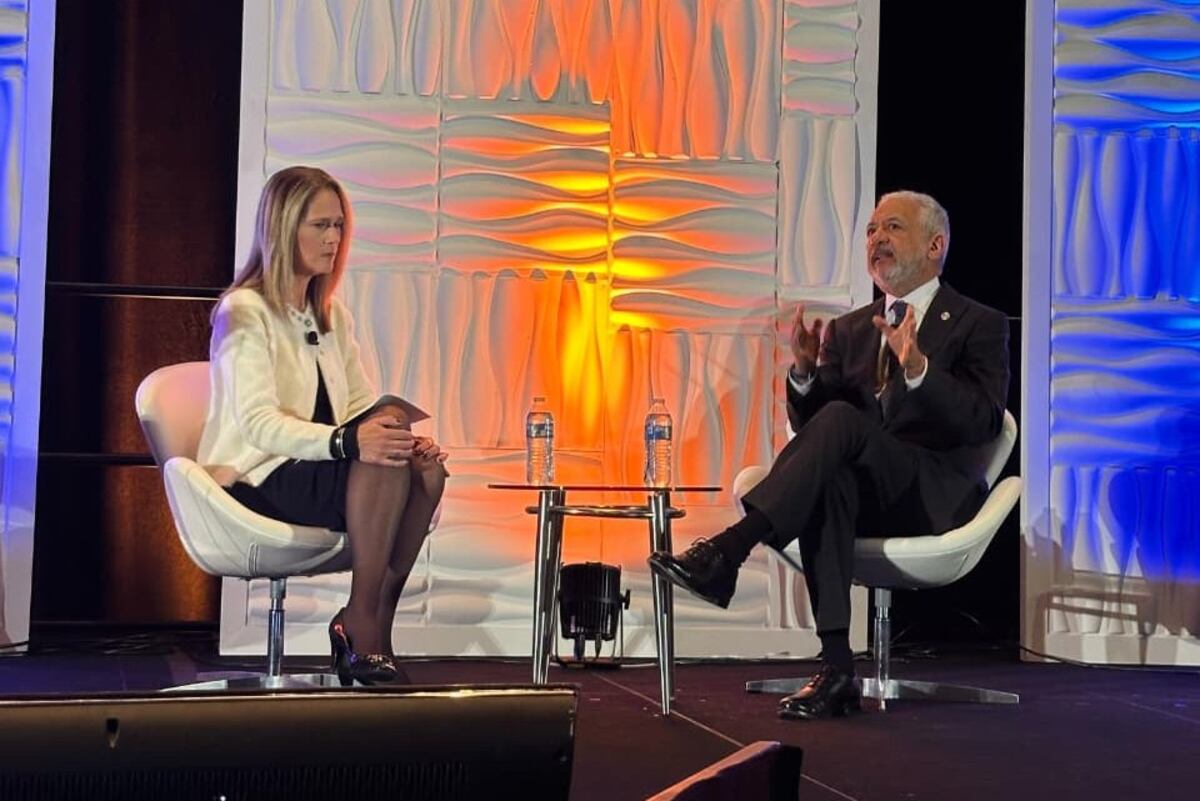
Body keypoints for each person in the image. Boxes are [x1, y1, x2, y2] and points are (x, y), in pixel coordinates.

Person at [648, 190, 1009, 719]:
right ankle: (837, 669)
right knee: (830, 477)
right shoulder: (849, 330)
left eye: (893, 227)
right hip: (863, 492)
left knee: (840, 433)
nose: (877, 239)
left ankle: (730, 549)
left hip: (930, 493)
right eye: (871, 230)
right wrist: (804, 376)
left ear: (935, 246)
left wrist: (919, 370)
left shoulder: (979, 323)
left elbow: (984, 421)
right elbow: (815, 433)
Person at [198, 165, 448, 685]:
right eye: (320, 226)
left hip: (317, 470)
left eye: (339, 226)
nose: (334, 239)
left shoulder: (330, 316)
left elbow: (359, 405)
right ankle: (360, 624)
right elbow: (258, 425)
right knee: (376, 459)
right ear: (283, 227)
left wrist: (398, 437)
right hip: (258, 477)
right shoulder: (243, 310)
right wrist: (350, 441)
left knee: (424, 471)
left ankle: (373, 620)